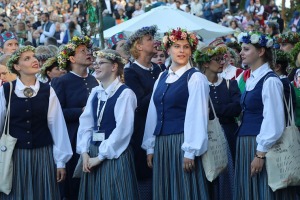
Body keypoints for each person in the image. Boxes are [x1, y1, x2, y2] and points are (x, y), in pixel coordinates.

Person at [142, 28, 210, 199]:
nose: (181, 51)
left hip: (183, 142)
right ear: (168, 50)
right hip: (162, 144)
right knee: (166, 189)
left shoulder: (195, 77)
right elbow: (153, 112)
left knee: (184, 189)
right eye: (177, 46)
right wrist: (150, 146)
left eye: (186, 47)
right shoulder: (162, 77)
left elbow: (198, 116)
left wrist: (190, 150)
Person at [0, 46, 72, 199]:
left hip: (43, 155)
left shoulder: (47, 90)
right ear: (17, 67)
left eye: (34, 57)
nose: (34, 60)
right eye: (27, 58)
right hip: (15, 156)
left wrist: (60, 162)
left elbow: (57, 126)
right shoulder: (6, 90)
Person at [235, 31, 298, 199]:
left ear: (261, 51)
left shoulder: (270, 80)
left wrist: (260, 153)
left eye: (246, 49)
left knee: (263, 191)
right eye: (242, 49)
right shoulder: (251, 79)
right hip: (247, 142)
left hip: (260, 145)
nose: (241, 53)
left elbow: (274, 120)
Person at [77, 49, 140, 199]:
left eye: (101, 63)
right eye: (96, 64)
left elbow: (123, 130)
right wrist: (84, 152)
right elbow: (86, 124)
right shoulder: (95, 92)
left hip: (114, 155)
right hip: (92, 153)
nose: (96, 67)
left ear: (114, 67)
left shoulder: (125, 93)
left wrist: (100, 157)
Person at [51, 36, 99, 200]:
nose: (88, 53)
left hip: (94, 137)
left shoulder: (95, 80)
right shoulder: (62, 82)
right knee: (74, 183)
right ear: (71, 58)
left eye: (88, 50)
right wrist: (82, 111)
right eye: (82, 51)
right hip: (71, 138)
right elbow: (56, 114)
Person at [194, 44, 241, 200]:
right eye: (217, 59)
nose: (222, 62)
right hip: (207, 136)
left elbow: (237, 108)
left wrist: (214, 109)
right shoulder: (197, 85)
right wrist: (224, 109)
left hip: (229, 135)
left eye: (223, 59)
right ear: (206, 63)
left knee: (229, 176)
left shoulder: (230, 83)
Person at [123, 25, 162, 200]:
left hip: (161, 129)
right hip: (142, 130)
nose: (154, 42)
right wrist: (161, 87)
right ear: (138, 46)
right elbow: (140, 104)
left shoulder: (159, 69)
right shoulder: (130, 72)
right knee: (146, 177)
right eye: (149, 40)